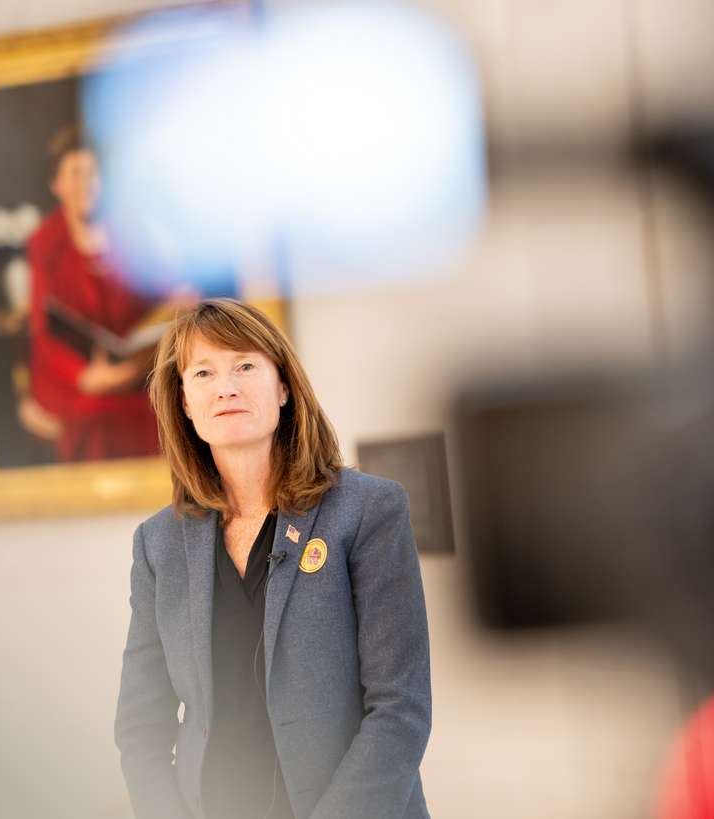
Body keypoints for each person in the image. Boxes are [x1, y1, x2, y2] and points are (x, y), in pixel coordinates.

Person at [114, 299, 432, 819]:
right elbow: (140, 726)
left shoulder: (367, 510)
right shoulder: (159, 544)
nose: (226, 387)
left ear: (283, 387)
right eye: (203, 372)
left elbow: (401, 710)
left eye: (245, 366)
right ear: (185, 404)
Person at [24, 125, 161, 462]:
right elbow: (44, 328)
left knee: (161, 407)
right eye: (74, 173)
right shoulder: (45, 242)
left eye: (92, 173)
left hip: (137, 365)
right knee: (97, 414)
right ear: (57, 184)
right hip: (70, 372)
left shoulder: (131, 231)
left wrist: (133, 365)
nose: (85, 183)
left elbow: (162, 299)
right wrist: (85, 376)